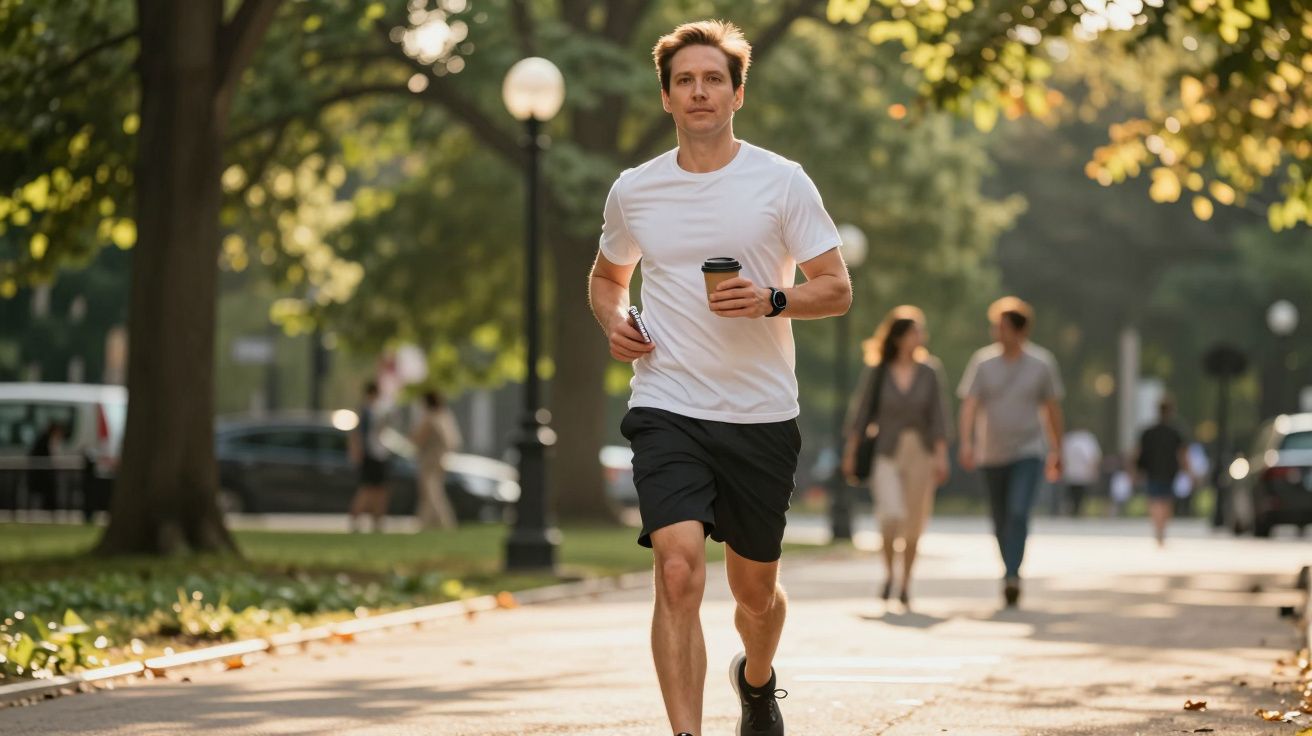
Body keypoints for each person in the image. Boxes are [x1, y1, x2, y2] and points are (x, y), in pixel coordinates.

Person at [588, 19, 851, 736]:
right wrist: (614, 318)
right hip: (667, 403)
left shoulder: (781, 182)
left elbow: (836, 287)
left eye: (712, 79)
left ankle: (757, 680)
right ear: (667, 98)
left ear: (738, 94)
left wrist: (774, 298)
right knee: (677, 571)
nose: (698, 91)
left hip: (761, 412)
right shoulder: (635, 191)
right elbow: (609, 275)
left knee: (754, 594)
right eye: (684, 81)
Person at [958, 296, 1065, 608]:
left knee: (1018, 512)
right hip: (991, 452)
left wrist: (1058, 449)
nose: (995, 333)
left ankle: (1012, 575)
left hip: (1029, 450)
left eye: (1001, 327)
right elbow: (970, 405)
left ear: (1020, 331)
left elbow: (1052, 409)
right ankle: (1010, 570)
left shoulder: (1042, 364)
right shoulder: (983, 362)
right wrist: (966, 442)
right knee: (1000, 517)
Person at [842, 306, 950, 609]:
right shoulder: (878, 371)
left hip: (920, 452)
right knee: (891, 516)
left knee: (914, 521)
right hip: (885, 451)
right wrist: (851, 452)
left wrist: (941, 457)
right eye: (915, 331)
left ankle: (905, 582)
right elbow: (861, 415)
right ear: (900, 336)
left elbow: (939, 417)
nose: (921, 337)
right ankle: (890, 572)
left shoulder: (930, 371)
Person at [1133, 399, 1189, 546]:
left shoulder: (1148, 432)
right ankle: (1161, 527)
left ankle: (1158, 527)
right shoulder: (1175, 432)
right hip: (1168, 471)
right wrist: (1188, 471)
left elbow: (1138, 453)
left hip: (1153, 471)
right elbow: (1183, 454)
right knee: (1165, 500)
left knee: (1155, 500)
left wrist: (1135, 471)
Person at [411, 390, 462, 530]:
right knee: (434, 491)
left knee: (430, 492)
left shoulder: (430, 419)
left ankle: (443, 522)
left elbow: (417, 439)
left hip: (430, 460)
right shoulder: (445, 416)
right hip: (441, 459)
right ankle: (428, 522)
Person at [348, 382, 392, 533]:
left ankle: (377, 521)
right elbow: (357, 435)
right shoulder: (366, 411)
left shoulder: (377, 410)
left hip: (379, 454)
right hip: (371, 454)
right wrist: (357, 452)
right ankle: (357, 519)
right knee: (368, 489)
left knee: (379, 490)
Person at [1061, 428, 1102, 517]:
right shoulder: (1076, 439)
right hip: (1075, 474)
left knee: (1078, 494)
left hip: (1078, 473)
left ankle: (1076, 510)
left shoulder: (1080, 439)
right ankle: (1075, 510)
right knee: (1075, 494)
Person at [27, 421, 66, 512]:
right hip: (42, 474)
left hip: (42, 473)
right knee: (47, 494)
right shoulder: (46, 440)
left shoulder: (44, 438)